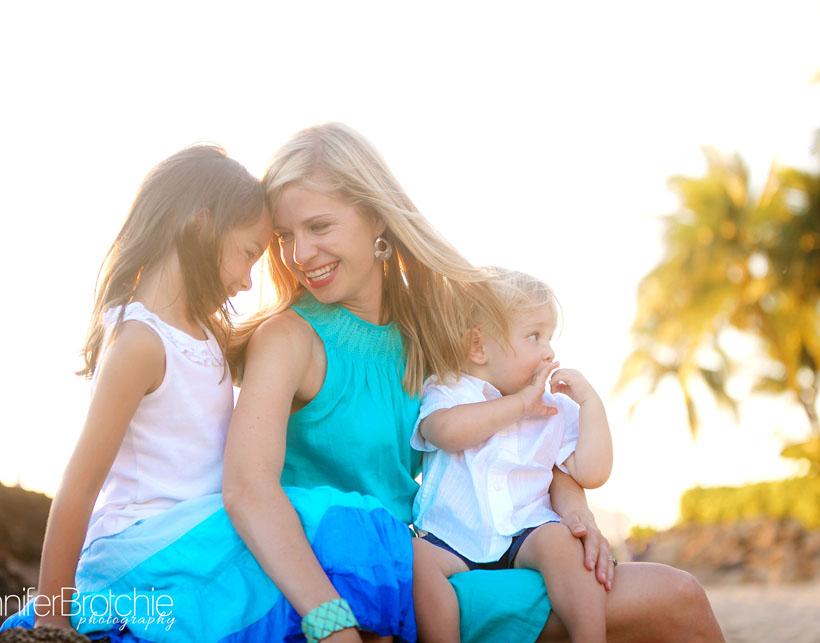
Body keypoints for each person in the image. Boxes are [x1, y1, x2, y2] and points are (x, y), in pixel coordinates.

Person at [226, 122, 724, 642]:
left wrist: (574, 510)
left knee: (682, 595)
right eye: (285, 237)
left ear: (376, 215)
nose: (299, 255)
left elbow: (524, 422)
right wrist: (332, 623)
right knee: (673, 601)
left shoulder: (436, 325)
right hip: (325, 588)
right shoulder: (286, 338)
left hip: (428, 566)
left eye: (319, 227)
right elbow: (247, 490)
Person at [0, 144, 279, 640]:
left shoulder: (208, 332)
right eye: (249, 253)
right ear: (202, 222)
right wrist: (52, 621)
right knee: (328, 524)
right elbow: (79, 487)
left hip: (194, 539)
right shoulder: (140, 342)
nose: (247, 279)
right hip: (143, 549)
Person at [411, 270, 613, 642]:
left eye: (550, 338)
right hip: (450, 537)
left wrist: (590, 404)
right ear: (479, 348)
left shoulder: (554, 408)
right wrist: (518, 405)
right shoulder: (451, 389)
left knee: (563, 543)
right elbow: (443, 432)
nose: (549, 351)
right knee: (417, 563)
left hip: (527, 531)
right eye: (534, 336)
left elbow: (592, 472)